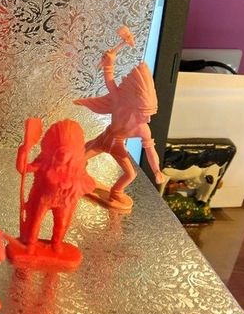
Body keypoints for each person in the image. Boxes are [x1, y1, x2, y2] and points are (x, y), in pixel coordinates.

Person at [74, 49, 164, 209]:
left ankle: (116, 192)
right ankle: (75, 175)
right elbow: (110, 81)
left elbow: (151, 151)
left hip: (117, 146)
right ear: (134, 106)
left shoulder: (143, 129)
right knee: (77, 159)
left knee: (131, 174)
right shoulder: (119, 102)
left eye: (149, 115)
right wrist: (109, 62)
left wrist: (156, 170)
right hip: (103, 138)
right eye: (144, 114)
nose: (147, 119)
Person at [16, 119, 95, 252]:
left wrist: (76, 184)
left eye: (66, 153)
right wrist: (24, 150)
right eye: (60, 152)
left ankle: (56, 243)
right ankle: (31, 243)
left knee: (62, 224)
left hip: (65, 201)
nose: (62, 156)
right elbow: (23, 169)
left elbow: (89, 184)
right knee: (35, 221)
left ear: (73, 153)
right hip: (44, 199)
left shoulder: (77, 168)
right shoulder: (45, 161)